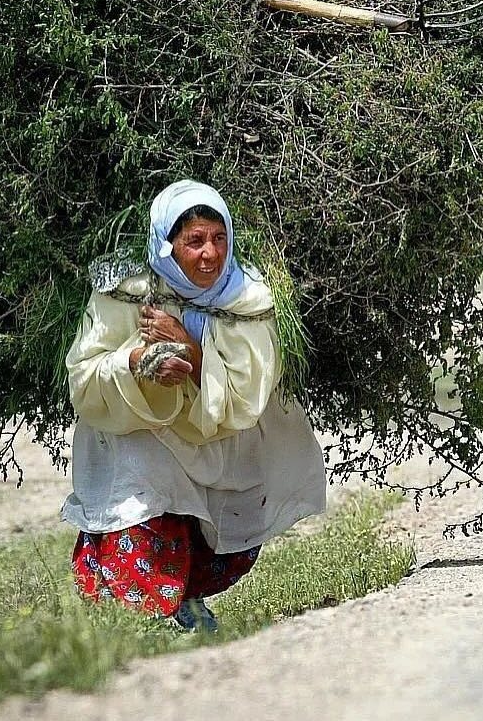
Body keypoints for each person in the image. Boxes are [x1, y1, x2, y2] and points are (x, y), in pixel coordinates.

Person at [60, 180, 326, 632]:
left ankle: (183, 600)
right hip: (145, 434)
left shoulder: (246, 297)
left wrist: (193, 353)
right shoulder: (124, 291)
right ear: (166, 246)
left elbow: (249, 389)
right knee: (143, 492)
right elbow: (84, 375)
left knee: (227, 531)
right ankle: (147, 617)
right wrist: (139, 363)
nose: (210, 255)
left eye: (219, 239)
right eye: (195, 241)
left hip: (219, 439)